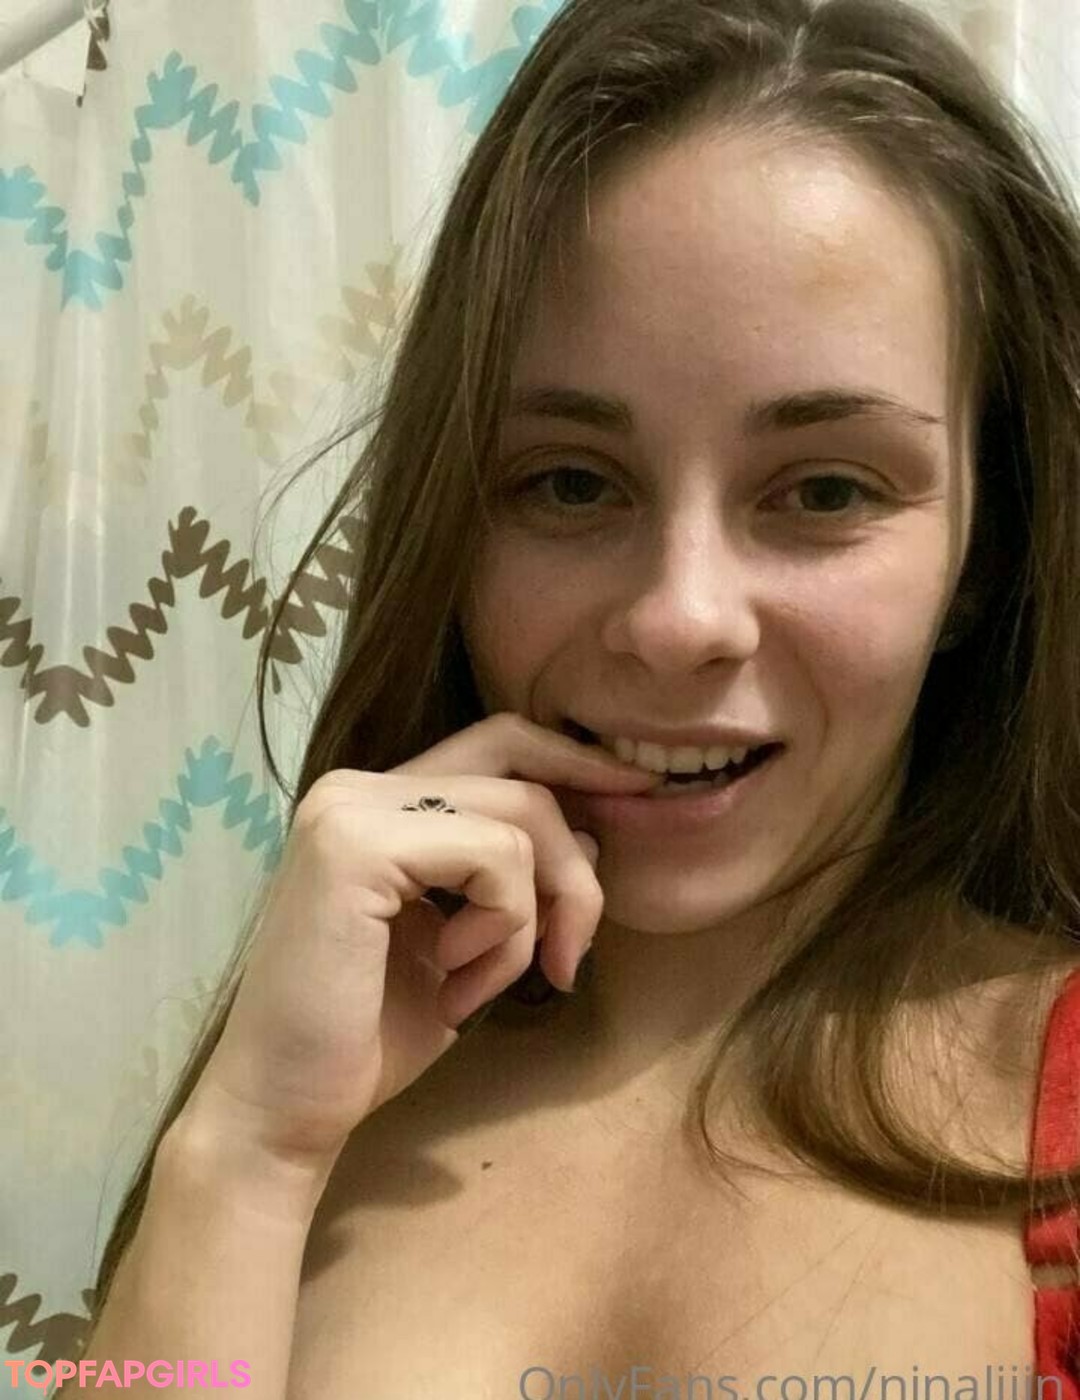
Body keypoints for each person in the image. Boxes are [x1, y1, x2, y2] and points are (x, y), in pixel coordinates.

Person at [64, 0, 1080, 1394]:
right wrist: (243, 1151)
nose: (678, 619)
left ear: (986, 548)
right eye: (570, 482)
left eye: (826, 491)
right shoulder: (316, 1108)